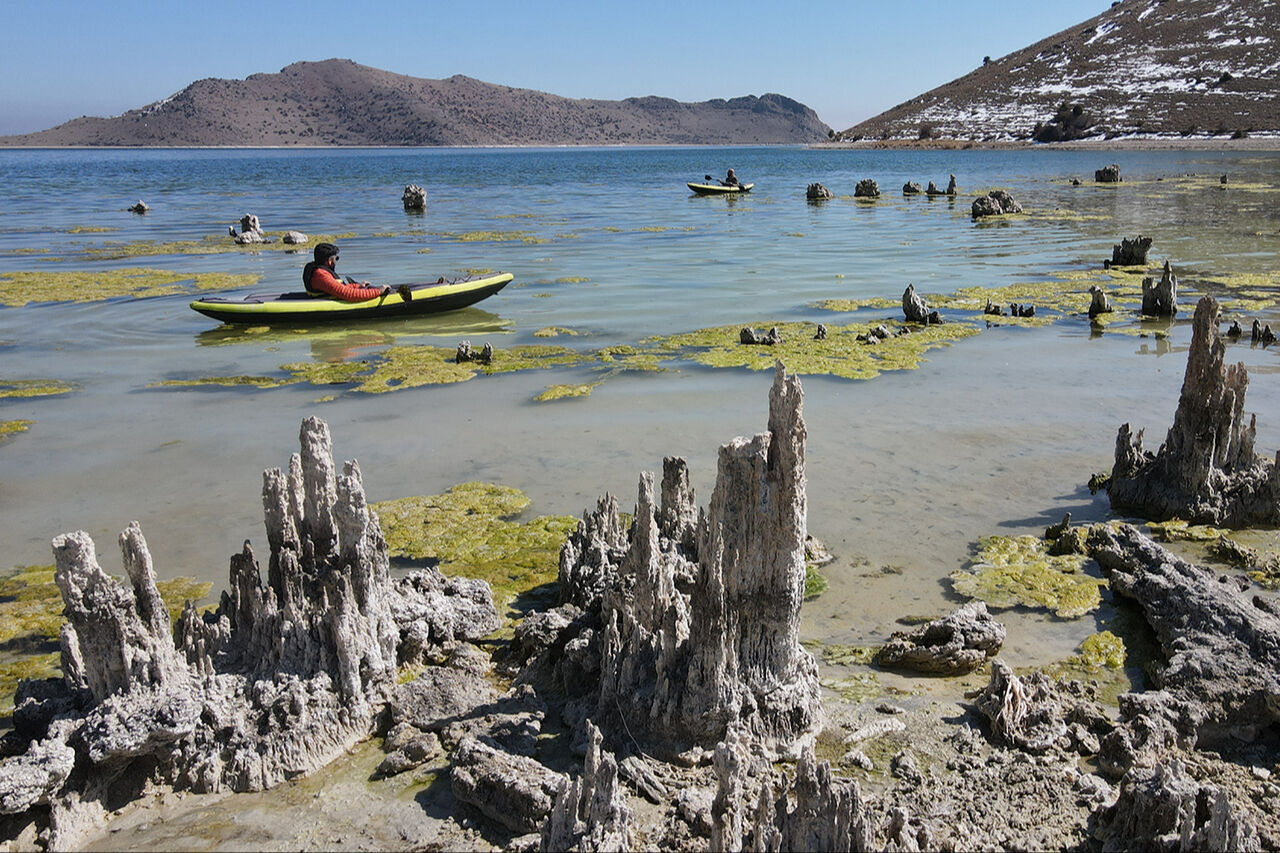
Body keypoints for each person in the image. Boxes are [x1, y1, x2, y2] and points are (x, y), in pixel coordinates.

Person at [302, 243, 391, 301]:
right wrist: (378, 291)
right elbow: (348, 294)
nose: (337, 261)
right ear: (329, 261)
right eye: (336, 258)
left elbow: (336, 287)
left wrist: (358, 286)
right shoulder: (320, 275)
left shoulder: (319, 271)